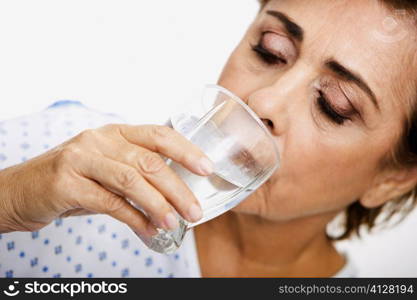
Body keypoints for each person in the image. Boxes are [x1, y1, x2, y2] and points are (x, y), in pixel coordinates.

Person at [1, 0, 417, 277]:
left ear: (392, 179)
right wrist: (10, 201)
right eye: (270, 50)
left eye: (334, 105)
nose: (263, 100)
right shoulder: (55, 160)